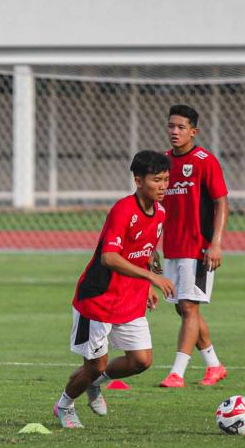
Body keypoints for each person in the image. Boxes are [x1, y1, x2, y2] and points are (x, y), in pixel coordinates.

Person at [54, 150, 175, 429]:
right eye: (157, 180)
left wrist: (146, 285)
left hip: (130, 298)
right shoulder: (123, 211)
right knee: (94, 365)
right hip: (99, 299)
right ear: (138, 180)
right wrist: (152, 277)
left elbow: (145, 250)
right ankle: (64, 405)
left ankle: (95, 383)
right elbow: (109, 258)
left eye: (166, 180)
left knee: (141, 361)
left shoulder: (160, 213)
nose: (163, 186)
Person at [158, 104, 230, 388]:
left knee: (189, 307)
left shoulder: (204, 161)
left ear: (193, 131)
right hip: (172, 247)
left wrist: (216, 243)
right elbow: (159, 207)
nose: (174, 131)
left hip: (197, 247)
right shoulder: (164, 162)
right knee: (184, 309)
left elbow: (221, 202)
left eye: (181, 127)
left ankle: (177, 373)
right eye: (171, 126)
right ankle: (214, 365)